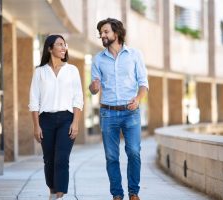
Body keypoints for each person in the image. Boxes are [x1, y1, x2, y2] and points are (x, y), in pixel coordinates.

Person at [89, 18, 148, 200]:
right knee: (111, 156)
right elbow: (92, 89)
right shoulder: (98, 59)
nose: (102, 35)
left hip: (131, 112)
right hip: (108, 113)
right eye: (101, 33)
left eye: (106, 31)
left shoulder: (135, 55)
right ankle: (117, 194)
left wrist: (138, 99)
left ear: (116, 33)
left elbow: (143, 84)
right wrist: (94, 86)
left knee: (133, 152)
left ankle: (133, 192)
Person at [29, 34, 83, 200]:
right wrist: (36, 125)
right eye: (59, 44)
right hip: (46, 120)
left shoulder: (72, 70)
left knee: (61, 158)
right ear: (50, 48)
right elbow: (33, 100)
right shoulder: (40, 72)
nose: (63, 47)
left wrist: (75, 122)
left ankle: (59, 196)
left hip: (66, 119)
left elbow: (78, 99)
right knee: (49, 160)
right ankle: (52, 192)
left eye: (64, 45)